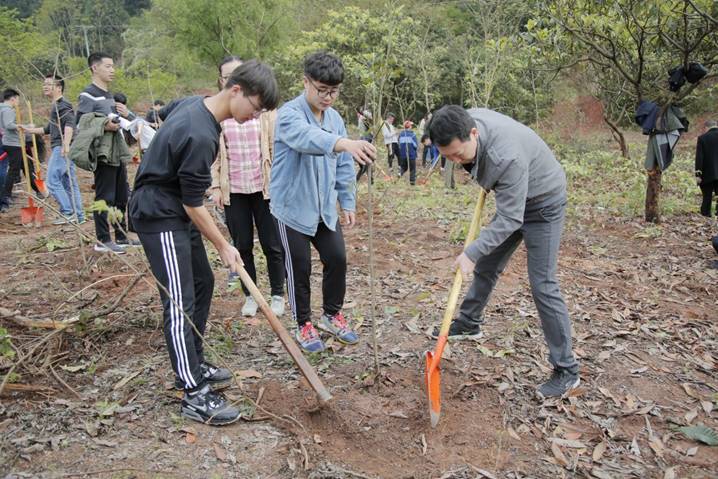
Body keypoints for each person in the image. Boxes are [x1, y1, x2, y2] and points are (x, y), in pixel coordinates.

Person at [129, 59, 279, 425]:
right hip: (159, 215)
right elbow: (193, 203)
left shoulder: (195, 106)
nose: (254, 118)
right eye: (255, 109)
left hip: (174, 211)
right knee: (179, 302)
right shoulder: (202, 134)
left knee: (202, 282)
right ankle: (193, 392)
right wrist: (225, 245)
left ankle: (195, 362)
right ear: (236, 89)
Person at [428, 105, 580, 399]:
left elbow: (511, 219)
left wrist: (470, 252)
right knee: (486, 265)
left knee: (543, 285)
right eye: (448, 157)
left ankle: (567, 370)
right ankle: (470, 323)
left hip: (543, 205)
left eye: (459, 154)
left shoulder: (505, 156)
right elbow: (507, 206)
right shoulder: (466, 119)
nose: (456, 161)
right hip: (514, 197)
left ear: (473, 133)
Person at [270, 51, 376, 353]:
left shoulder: (335, 118)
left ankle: (331, 315)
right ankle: (303, 322)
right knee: (299, 267)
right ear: (306, 82)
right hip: (291, 208)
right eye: (322, 90)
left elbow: (343, 165)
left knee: (337, 259)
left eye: (334, 91)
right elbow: (307, 139)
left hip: (323, 208)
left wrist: (347, 201)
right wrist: (343, 143)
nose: (328, 97)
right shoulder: (289, 114)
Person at [209, 55, 285, 318]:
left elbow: (275, 147)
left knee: (272, 244)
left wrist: (278, 183)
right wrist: (216, 187)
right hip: (235, 190)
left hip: (264, 188)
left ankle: (277, 293)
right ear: (223, 81)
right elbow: (215, 156)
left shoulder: (264, 111)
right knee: (242, 246)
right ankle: (250, 294)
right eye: (227, 76)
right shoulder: (217, 114)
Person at [76, 52, 139, 253]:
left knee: (121, 195)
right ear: (95, 68)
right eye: (108, 66)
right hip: (102, 152)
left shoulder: (110, 95)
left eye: (113, 66)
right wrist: (105, 124)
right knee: (105, 195)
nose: (113, 70)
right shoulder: (87, 95)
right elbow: (81, 123)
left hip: (116, 150)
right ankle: (102, 239)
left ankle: (120, 235)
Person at [21, 75, 84, 225]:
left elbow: (70, 124)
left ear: (58, 87)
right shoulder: (56, 106)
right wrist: (28, 130)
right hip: (66, 146)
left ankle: (67, 212)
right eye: (44, 84)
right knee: (69, 182)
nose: (45, 87)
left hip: (62, 147)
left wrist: (66, 144)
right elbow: (48, 129)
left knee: (51, 181)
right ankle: (79, 215)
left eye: (49, 84)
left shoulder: (63, 105)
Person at [0, 88, 42, 212]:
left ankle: (38, 191)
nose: (18, 102)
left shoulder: (2, 109)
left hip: (14, 142)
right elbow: (8, 125)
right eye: (17, 99)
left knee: (27, 167)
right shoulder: (8, 110)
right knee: (13, 171)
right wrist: (24, 126)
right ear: (13, 99)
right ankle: (5, 198)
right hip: (13, 143)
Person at [696, 119, 718, 217]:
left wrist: (698, 174)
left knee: (707, 196)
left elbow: (699, 157)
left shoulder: (702, 138)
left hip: (707, 173)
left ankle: (706, 214)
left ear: (706, 127)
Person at [397, 120, 418, 185]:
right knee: (412, 168)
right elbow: (415, 145)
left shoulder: (401, 134)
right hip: (411, 155)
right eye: (411, 125)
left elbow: (399, 144)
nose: (411, 126)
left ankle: (400, 173)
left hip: (403, 155)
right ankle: (412, 182)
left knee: (403, 167)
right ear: (409, 127)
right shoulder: (412, 135)